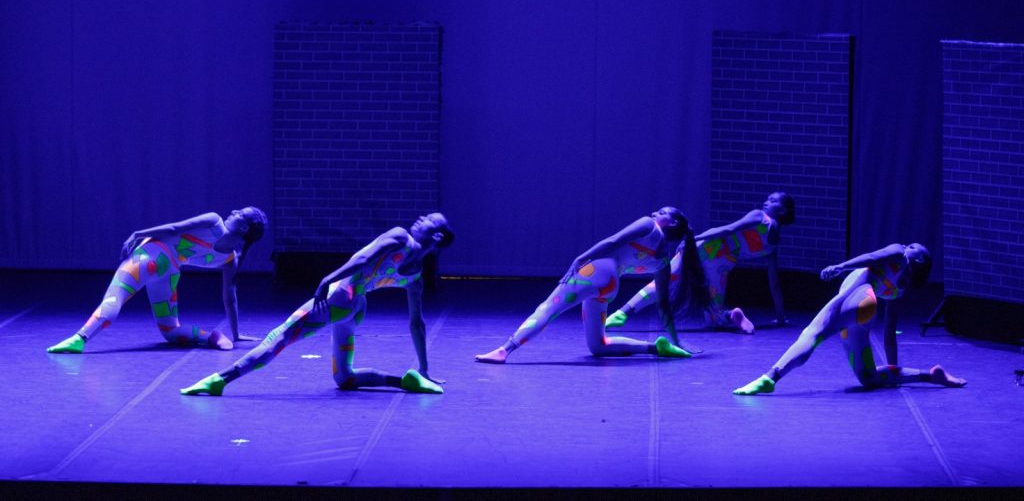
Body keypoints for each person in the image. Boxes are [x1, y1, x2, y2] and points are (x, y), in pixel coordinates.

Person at [181, 213, 454, 396]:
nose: (422, 218)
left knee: (278, 338)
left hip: (338, 297)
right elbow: (417, 324)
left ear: (437, 237)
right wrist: (424, 368)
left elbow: (362, 259)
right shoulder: (415, 277)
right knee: (344, 378)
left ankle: (219, 380)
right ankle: (405, 380)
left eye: (430, 220)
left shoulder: (401, 237)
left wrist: (327, 279)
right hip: (356, 307)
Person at [733, 243, 967, 395]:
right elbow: (889, 334)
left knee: (813, 333)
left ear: (916, 260)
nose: (908, 245)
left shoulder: (899, 254)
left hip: (860, 298)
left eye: (914, 247)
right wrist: (893, 371)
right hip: (864, 315)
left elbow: (871, 257)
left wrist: (841, 266)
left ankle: (770, 377)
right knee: (869, 378)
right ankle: (930, 375)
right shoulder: (900, 290)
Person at [475, 207, 699, 364]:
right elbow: (663, 305)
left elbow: (613, 241)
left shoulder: (649, 226)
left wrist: (581, 258)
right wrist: (676, 341)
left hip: (596, 271)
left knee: (548, 308)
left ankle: (504, 350)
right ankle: (655, 347)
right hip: (610, 286)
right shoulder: (663, 262)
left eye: (661, 213)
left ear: (673, 222)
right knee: (598, 346)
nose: (654, 213)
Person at [47, 207, 268, 353]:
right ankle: (211, 336)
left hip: (150, 256)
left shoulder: (214, 222)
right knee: (170, 331)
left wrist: (137, 234)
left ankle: (80, 338)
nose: (234, 211)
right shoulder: (230, 260)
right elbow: (230, 298)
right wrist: (236, 335)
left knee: (115, 297)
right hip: (169, 271)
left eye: (240, 213)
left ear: (244, 227)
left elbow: (173, 228)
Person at [605, 192, 795, 334]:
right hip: (724, 262)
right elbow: (774, 283)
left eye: (773, 200)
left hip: (708, 247)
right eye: (768, 199)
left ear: (783, 210)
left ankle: (622, 313)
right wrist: (780, 318)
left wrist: (693, 239)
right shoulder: (773, 245)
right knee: (713, 316)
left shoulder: (760, 216)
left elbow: (727, 229)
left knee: (665, 279)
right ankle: (731, 315)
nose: (766, 202)